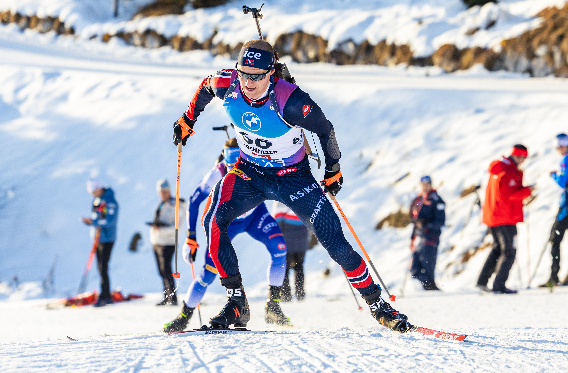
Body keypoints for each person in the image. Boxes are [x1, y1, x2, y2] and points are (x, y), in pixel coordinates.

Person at [171, 39, 410, 332]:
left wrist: (333, 169)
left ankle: (377, 304)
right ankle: (237, 303)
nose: (249, 82)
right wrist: (188, 119)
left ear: (271, 73)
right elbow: (206, 87)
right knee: (214, 220)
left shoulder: (291, 101)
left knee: (334, 241)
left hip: (293, 177)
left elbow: (325, 130)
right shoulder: (228, 83)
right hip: (250, 172)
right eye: (244, 73)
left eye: (257, 75)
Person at [163, 139, 291, 332]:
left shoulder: (255, 163)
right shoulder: (217, 172)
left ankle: (273, 306)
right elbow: (194, 200)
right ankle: (184, 315)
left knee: (280, 248)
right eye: (230, 166)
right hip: (228, 222)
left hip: (255, 216)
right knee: (208, 271)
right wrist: (190, 236)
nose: (234, 170)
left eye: (237, 165)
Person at [476, 144, 534, 294]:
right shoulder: (507, 171)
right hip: (505, 217)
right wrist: (527, 191)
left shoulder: (500, 168)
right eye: (522, 157)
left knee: (497, 248)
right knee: (509, 251)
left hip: (494, 216)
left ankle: (482, 281)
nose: (523, 161)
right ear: (517, 155)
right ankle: (499, 285)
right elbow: (508, 195)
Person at [81, 178, 119, 307]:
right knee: (100, 267)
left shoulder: (110, 202)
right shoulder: (97, 201)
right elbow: (97, 217)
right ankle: (104, 293)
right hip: (98, 238)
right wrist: (91, 221)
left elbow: (109, 221)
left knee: (103, 267)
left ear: (99, 188)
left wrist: (94, 222)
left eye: (93, 191)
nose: (92, 194)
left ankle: (105, 295)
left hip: (107, 238)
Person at [149, 179, 184, 306]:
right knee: (161, 271)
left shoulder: (176, 205)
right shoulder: (161, 204)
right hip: (157, 241)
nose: (163, 194)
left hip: (168, 242)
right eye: (161, 192)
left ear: (169, 191)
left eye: (165, 191)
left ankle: (173, 297)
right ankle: (166, 296)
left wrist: (161, 229)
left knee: (167, 269)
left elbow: (177, 227)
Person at [540, 133, 568, 287]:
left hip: (566, 209)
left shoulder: (565, 160)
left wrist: (554, 175)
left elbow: (563, 182)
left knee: (555, 240)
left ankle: (554, 276)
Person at [409, 175, 445, 291]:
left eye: (427, 184)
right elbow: (413, 219)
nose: (425, 186)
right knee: (414, 269)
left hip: (431, 237)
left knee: (428, 266)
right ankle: (428, 286)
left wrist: (426, 224)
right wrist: (412, 237)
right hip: (419, 237)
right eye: (423, 184)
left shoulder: (436, 200)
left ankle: (431, 287)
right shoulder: (418, 200)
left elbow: (440, 221)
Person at [272, 201, 310, 301]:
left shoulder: (279, 199)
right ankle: (300, 293)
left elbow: (277, 220)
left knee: (285, 268)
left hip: (286, 240)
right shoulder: (302, 200)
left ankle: (286, 294)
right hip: (302, 239)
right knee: (299, 267)